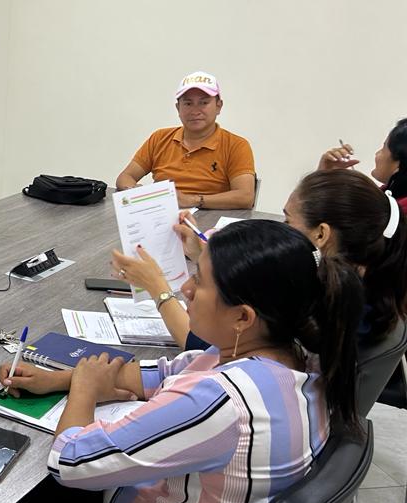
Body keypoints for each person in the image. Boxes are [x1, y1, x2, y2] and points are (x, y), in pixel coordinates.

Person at [0, 220, 364, 503]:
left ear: (243, 317)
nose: (184, 289)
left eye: (199, 281)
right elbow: (163, 373)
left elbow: (69, 461)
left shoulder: (222, 401)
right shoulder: (296, 358)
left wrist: (84, 390)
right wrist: (62, 378)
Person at [111, 169, 407, 350]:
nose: (281, 229)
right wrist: (205, 256)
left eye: (288, 221)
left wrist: (159, 289)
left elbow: (204, 346)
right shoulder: (366, 288)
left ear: (321, 235)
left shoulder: (315, 304)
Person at [115, 71, 256, 209]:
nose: (195, 111)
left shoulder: (236, 145)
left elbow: (245, 197)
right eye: (188, 104)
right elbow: (125, 177)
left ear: (218, 106)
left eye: (204, 102)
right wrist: (137, 193)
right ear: (178, 108)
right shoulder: (159, 138)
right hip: (161, 215)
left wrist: (193, 200)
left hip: (210, 219)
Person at [318, 117, 407, 217]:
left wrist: (322, 180)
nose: (377, 153)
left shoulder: (390, 214)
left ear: (399, 164)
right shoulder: (385, 199)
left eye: (383, 148)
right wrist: (325, 177)